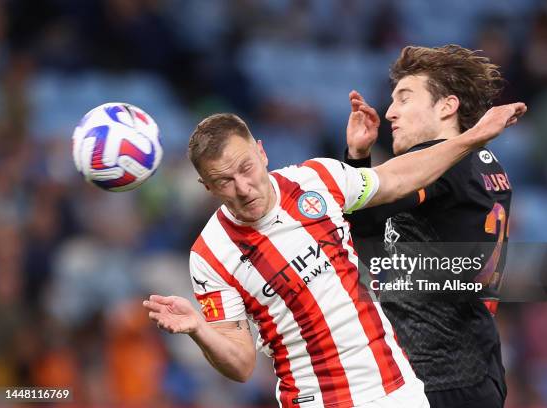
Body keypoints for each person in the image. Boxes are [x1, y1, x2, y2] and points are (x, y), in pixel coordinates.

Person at [142, 101, 525, 408]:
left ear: (262, 152)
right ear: (206, 186)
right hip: (318, 399)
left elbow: (399, 177)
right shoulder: (210, 255)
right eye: (225, 181)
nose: (243, 187)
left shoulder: (317, 180)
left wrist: (472, 138)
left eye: (246, 168)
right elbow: (241, 365)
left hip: (399, 388)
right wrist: (199, 330)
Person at [344, 44, 513, 408]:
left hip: (440, 374)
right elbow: (372, 242)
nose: (390, 112)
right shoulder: (482, 165)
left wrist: (355, 166)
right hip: (472, 365)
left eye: (404, 99)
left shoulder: (440, 164)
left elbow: (363, 208)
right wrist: (360, 158)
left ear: (446, 106)